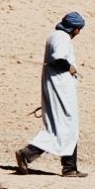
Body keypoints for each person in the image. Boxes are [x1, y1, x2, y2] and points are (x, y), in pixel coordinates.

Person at [14, 11, 85, 177]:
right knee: (64, 125)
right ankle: (28, 153)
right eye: (78, 29)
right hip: (61, 87)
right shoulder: (62, 37)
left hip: (56, 85)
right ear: (74, 28)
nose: (78, 33)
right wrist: (69, 67)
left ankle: (70, 167)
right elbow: (58, 57)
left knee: (65, 126)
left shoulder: (54, 35)